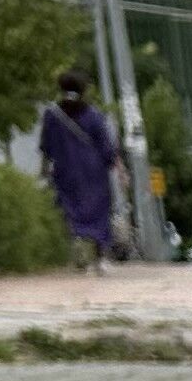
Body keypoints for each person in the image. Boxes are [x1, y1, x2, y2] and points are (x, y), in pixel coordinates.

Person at [36, 73, 119, 265]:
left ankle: (78, 244)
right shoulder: (93, 115)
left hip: (65, 173)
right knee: (98, 213)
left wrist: (44, 170)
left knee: (70, 210)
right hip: (94, 175)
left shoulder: (52, 115)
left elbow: (46, 146)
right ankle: (99, 254)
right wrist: (111, 163)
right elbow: (107, 148)